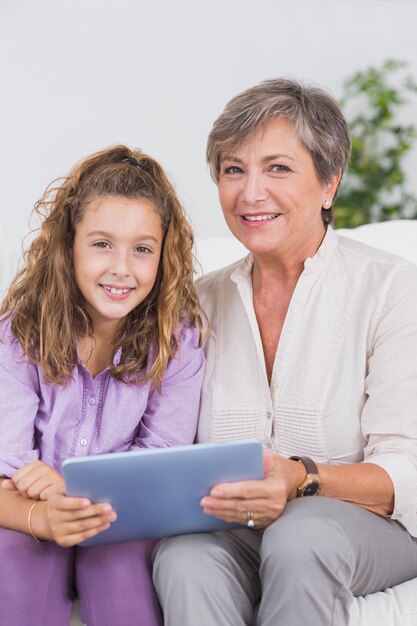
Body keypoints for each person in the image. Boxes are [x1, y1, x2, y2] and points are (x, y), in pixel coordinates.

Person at [152, 78, 417, 625]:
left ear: (329, 184)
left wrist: (302, 478)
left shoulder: (392, 288)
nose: (251, 193)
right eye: (233, 170)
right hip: (238, 530)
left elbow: (406, 469)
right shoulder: (194, 303)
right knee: (183, 555)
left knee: (302, 534)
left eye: (278, 168)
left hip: (371, 527)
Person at [0, 145, 205, 626]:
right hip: (26, 514)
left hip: (124, 523)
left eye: (141, 249)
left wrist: (70, 487)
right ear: (68, 245)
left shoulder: (179, 341)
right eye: (101, 244)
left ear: (162, 255)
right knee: (19, 558)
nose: (121, 268)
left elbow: (161, 466)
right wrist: (43, 516)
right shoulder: (18, 334)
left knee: (119, 566)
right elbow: (7, 467)